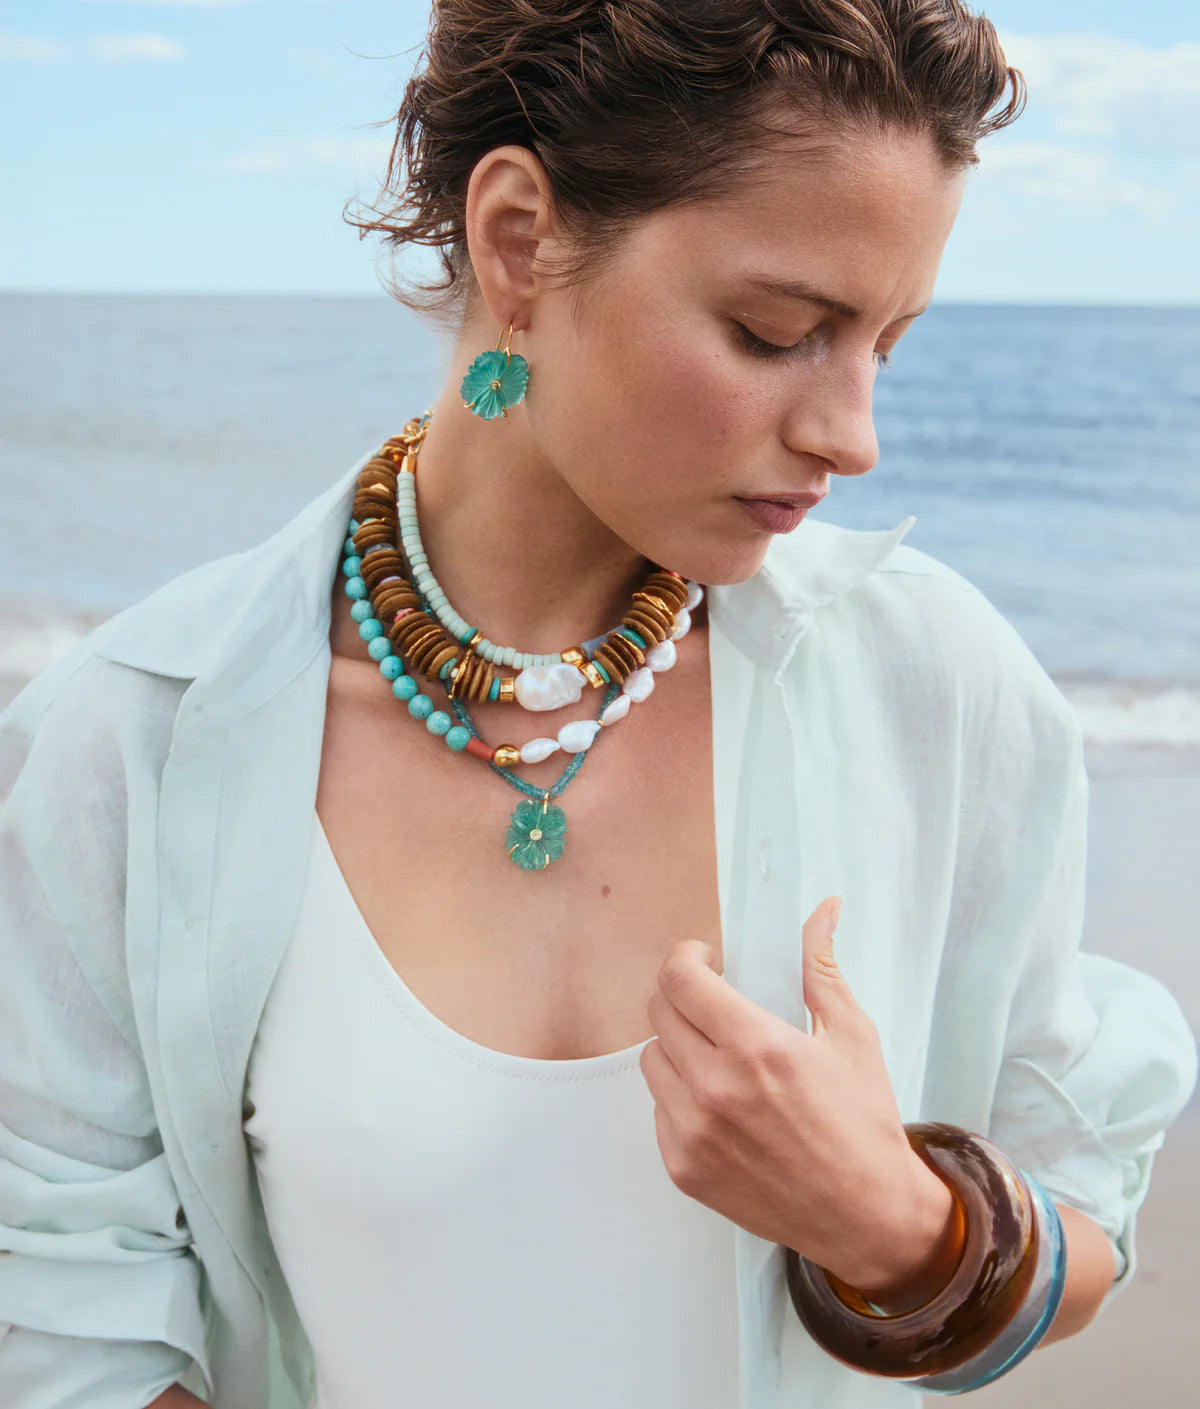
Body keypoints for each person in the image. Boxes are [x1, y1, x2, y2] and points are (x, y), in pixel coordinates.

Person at [1, 2, 1196, 1407]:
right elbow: (61, 1295)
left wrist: (898, 1223)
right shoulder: (139, 735)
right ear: (518, 242)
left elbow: (1083, 1191)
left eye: (889, 342)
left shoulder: (933, 685)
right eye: (778, 332)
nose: (854, 434)